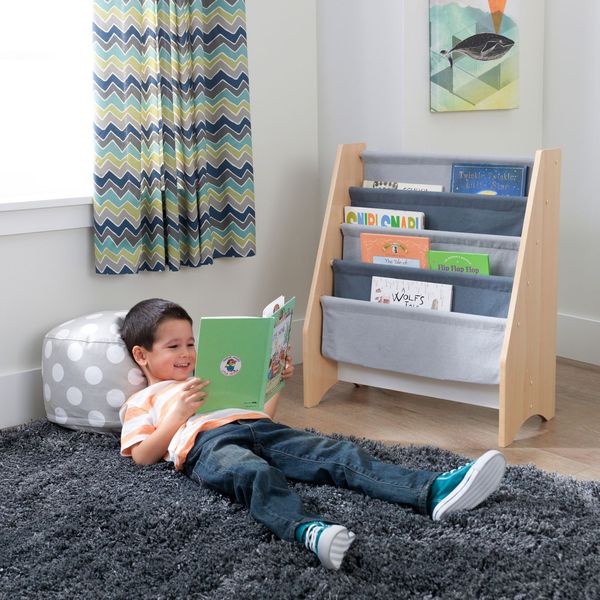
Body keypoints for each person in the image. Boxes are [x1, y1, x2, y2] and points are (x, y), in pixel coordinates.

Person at [119, 298, 507, 570]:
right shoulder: (143, 399)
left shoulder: (207, 378)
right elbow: (141, 455)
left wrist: (275, 382)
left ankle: (431, 491)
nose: (186, 353)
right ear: (142, 355)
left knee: (339, 454)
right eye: (174, 346)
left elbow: (261, 414)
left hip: (259, 427)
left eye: (190, 343)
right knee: (254, 474)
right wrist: (176, 416)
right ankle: (308, 529)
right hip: (206, 443)